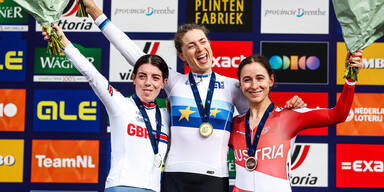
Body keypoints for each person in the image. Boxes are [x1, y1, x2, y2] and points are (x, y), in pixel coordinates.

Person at [81, 1, 306, 191]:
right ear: (181, 54)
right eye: (191, 45)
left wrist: (288, 110)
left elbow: (260, 120)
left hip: (215, 178)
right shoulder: (175, 82)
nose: (200, 48)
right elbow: (131, 51)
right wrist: (95, 13)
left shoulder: (233, 87)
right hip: (175, 176)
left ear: (210, 45)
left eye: (203, 41)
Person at [42, 25, 170, 192]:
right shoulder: (120, 104)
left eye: (155, 78)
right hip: (120, 186)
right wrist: (63, 41)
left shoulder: (167, 117)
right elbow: (92, 74)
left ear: (163, 83)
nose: (148, 83)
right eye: (142, 76)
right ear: (133, 79)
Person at [229, 51, 363, 192]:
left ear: (271, 80)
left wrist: (350, 78)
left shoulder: (289, 117)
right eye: (247, 79)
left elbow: (338, 115)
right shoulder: (233, 124)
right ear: (240, 84)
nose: (254, 85)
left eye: (260, 78)